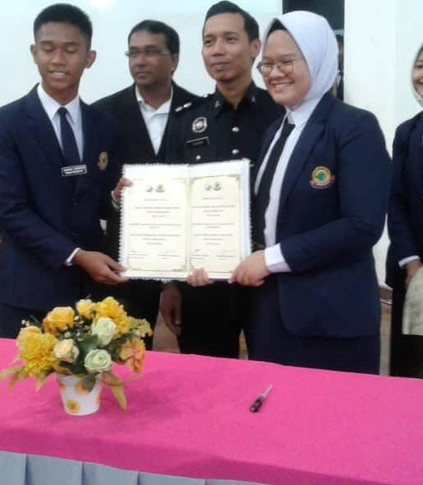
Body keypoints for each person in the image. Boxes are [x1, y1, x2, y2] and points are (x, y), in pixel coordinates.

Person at [190, 11, 391, 373]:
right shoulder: (277, 129)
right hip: (270, 313)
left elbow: (362, 225)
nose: (274, 72)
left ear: (318, 58)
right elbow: (265, 219)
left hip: (330, 318)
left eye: (286, 62)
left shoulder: (354, 127)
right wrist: (210, 259)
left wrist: (270, 259)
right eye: (267, 64)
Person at [0, 4, 128, 338]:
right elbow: (11, 211)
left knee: (90, 372)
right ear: (34, 53)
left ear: (89, 58)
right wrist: (76, 255)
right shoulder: (4, 124)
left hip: (89, 292)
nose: (58, 59)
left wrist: (116, 198)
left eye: (71, 50)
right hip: (28, 292)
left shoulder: (104, 125)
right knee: (26, 373)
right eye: (48, 49)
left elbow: (99, 200)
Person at [161, 1, 283, 358]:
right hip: (203, 281)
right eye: (208, 41)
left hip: (270, 278)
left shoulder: (282, 114)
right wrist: (171, 284)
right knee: (206, 378)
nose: (217, 50)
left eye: (229, 39)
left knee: (276, 375)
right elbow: (171, 203)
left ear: (255, 47)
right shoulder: (185, 120)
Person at [92, 20, 198, 348]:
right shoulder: (102, 115)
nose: (139, 61)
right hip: (126, 263)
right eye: (133, 53)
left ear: (174, 59)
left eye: (151, 52)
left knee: (199, 351)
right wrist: (113, 198)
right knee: (125, 356)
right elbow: (91, 192)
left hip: (190, 262)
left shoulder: (201, 112)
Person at [386, 44, 423, 377]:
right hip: (414, 269)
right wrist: (411, 261)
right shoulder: (407, 132)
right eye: (420, 65)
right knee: (412, 364)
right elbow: (395, 199)